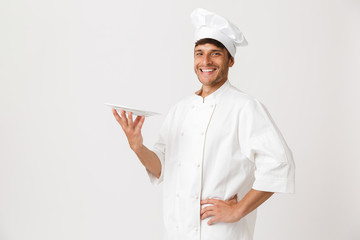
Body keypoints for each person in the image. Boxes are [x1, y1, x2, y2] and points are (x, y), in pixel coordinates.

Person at [112, 8, 295, 240]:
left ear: (231, 60)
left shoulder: (245, 107)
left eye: (215, 54)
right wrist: (137, 146)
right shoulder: (180, 109)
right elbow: (162, 168)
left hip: (221, 233)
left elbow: (279, 164)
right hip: (178, 232)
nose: (205, 61)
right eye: (199, 53)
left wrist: (238, 210)